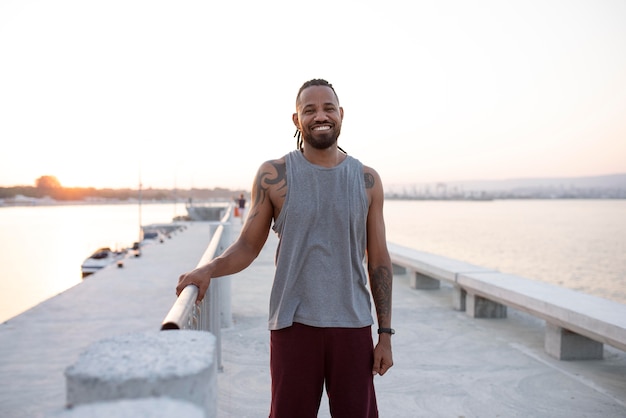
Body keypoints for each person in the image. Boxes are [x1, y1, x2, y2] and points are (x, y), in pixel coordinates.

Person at [177, 78, 393, 417]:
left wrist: (385, 334)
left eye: (328, 108)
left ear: (341, 114)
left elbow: (379, 261)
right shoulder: (274, 175)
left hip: (352, 325)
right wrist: (208, 269)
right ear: (297, 120)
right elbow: (248, 245)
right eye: (310, 110)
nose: (320, 116)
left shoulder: (367, 180)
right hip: (293, 326)